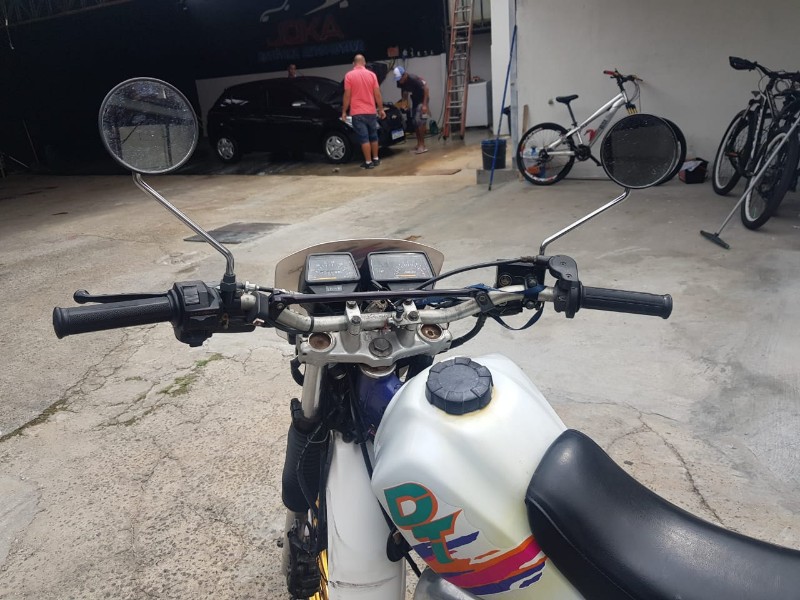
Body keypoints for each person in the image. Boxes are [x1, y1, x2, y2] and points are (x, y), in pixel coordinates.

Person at [342, 54, 386, 169]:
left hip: (357, 112)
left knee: (364, 138)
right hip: (371, 111)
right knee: (373, 136)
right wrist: (381, 109)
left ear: (353, 64)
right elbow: (377, 94)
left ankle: (368, 162)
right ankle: (376, 159)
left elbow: (347, 95)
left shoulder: (349, 76)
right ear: (364, 62)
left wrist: (344, 111)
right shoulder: (372, 75)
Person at [394, 66, 430, 154]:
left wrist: (425, 105)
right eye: (398, 79)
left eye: (400, 79)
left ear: (405, 75)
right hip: (415, 99)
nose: (399, 81)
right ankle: (419, 144)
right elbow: (404, 91)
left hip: (422, 99)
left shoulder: (413, 79)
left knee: (419, 121)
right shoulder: (400, 81)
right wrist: (404, 102)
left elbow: (426, 89)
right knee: (414, 122)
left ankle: (422, 145)